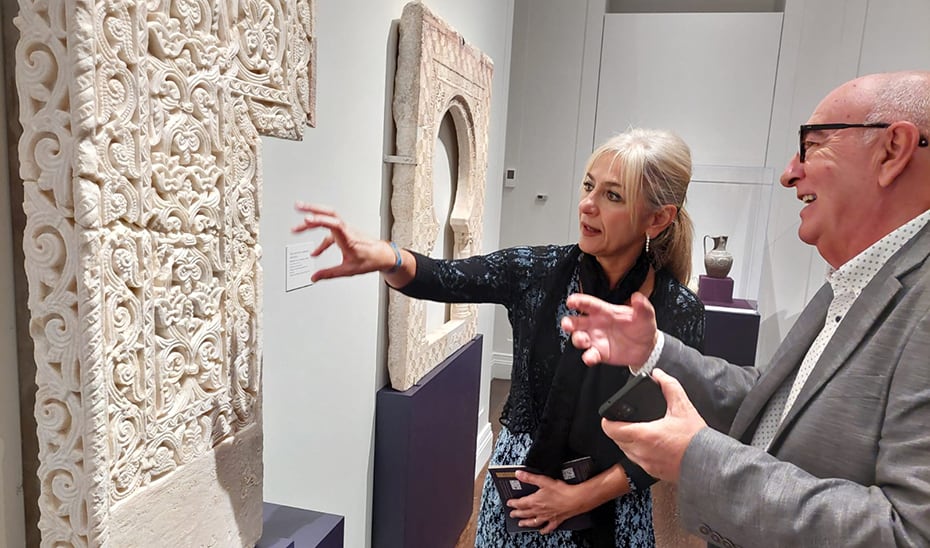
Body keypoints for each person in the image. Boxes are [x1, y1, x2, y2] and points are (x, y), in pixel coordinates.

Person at [561, 70, 930, 548]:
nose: (789, 172)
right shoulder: (854, 280)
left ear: (893, 150)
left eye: (812, 145)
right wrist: (654, 351)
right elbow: (776, 401)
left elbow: (908, 534)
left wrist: (699, 458)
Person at [291, 128, 705, 547]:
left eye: (612, 196)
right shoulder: (537, 272)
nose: (586, 204)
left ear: (658, 218)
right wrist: (388, 257)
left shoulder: (679, 313)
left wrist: (577, 498)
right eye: (588, 185)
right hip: (522, 491)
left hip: (611, 508)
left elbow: (666, 441)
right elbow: (447, 278)